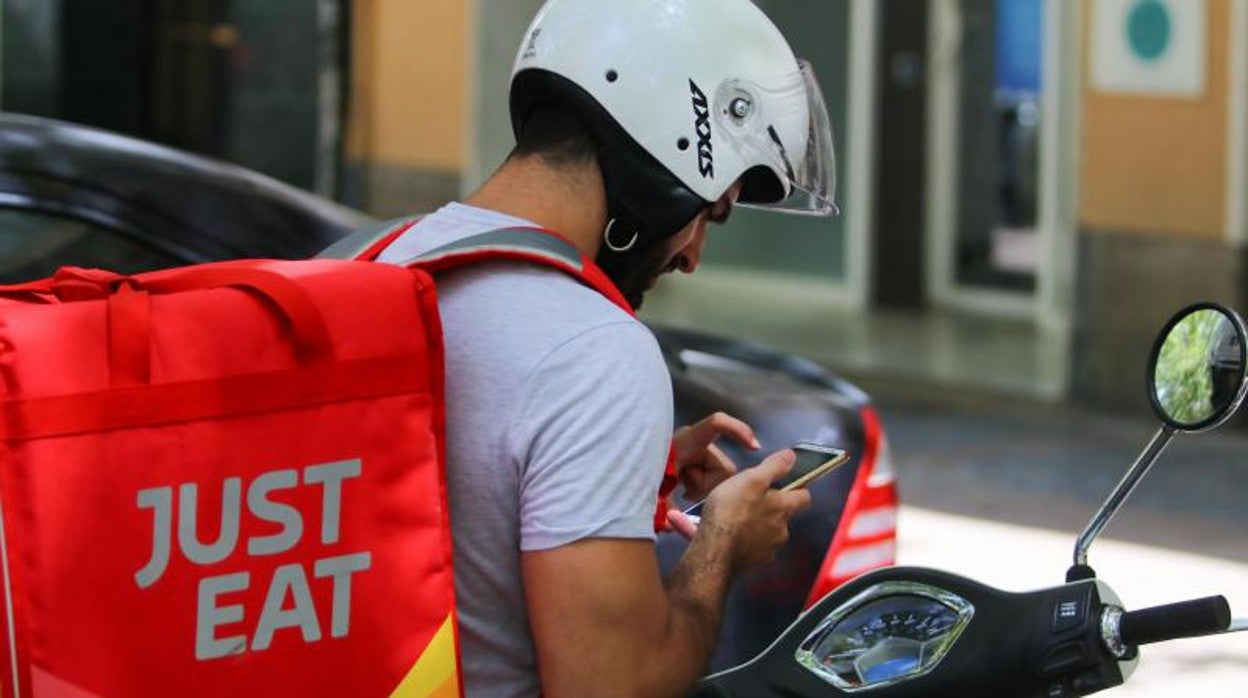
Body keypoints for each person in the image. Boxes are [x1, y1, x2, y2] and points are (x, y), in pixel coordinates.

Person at [372, 0, 840, 694]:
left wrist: (617, 464)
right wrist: (721, 547)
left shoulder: (384, 260)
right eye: (709, 211)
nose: (692, 256)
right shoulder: (594, 351)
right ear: (667, 158)